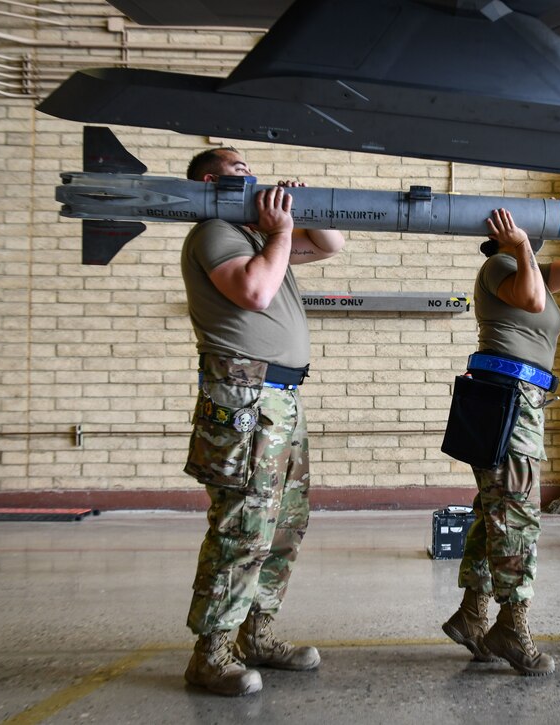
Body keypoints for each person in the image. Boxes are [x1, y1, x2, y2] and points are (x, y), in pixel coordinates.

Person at [179, 147, 345, 696]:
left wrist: (296, 217)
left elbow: (330, 245)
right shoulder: (215, 232)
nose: (249, 174)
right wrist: (276, 233)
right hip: (246, 396)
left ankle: (256, 633)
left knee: (285, 525)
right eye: (236, 169)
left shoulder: (256, 236)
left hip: (280, 398)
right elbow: (254, 290)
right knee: (244, 526)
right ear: (210, 181)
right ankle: (211, 652)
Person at [442, 207, 560, 677]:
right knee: (516, 514)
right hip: (506, 397)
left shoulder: (534, 271)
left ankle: (471, 616)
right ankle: (511, 623)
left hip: (521, 398)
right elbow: (529, 300)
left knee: (497, 514)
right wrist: (520, 245)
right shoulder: (501, 266)